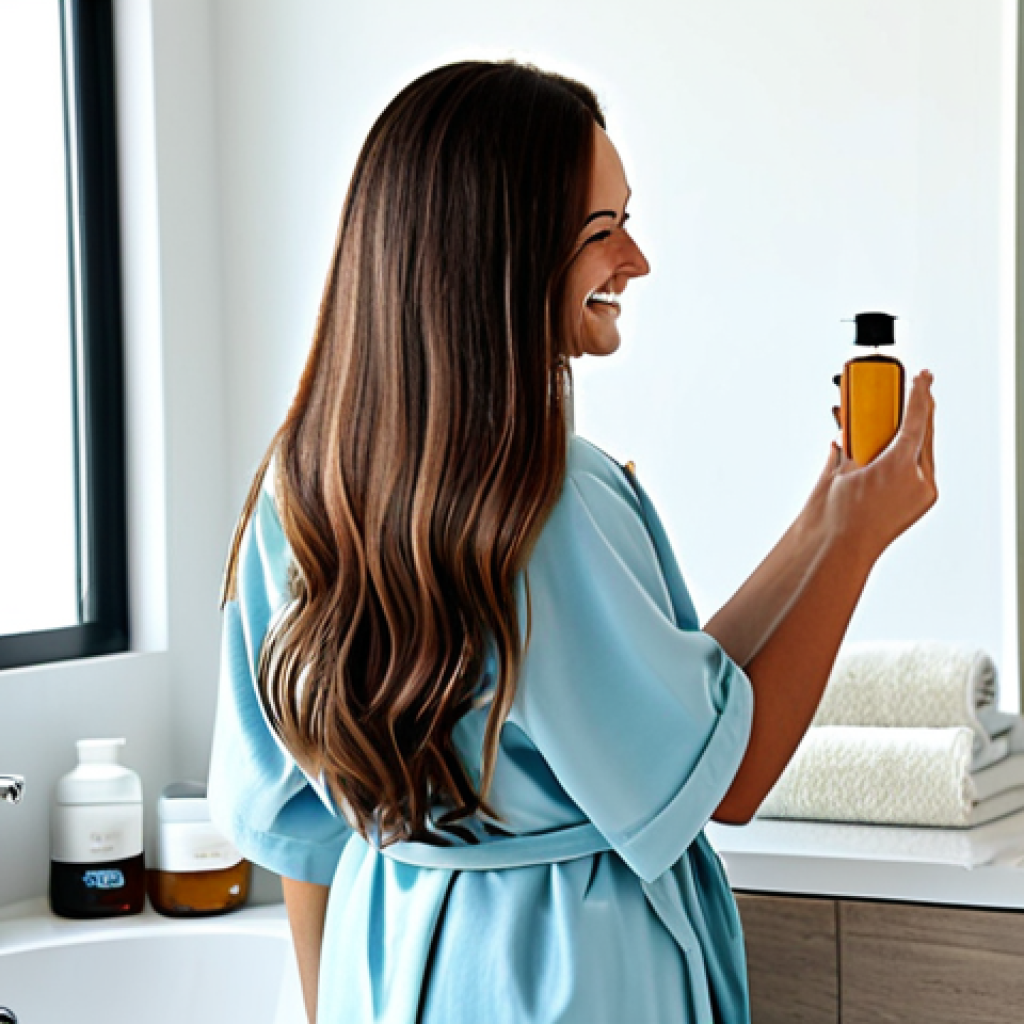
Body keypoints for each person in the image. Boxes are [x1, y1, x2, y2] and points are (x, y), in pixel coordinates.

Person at [208, 59, 937, 1024]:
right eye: (603, 232)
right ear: (499, 256)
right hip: (569, 977)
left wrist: (825, 519)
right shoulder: (544, 497)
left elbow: (301, 839)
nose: (636, 261)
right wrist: (859, 545)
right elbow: (729, 780)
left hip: (379, 965)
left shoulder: (297, 490)